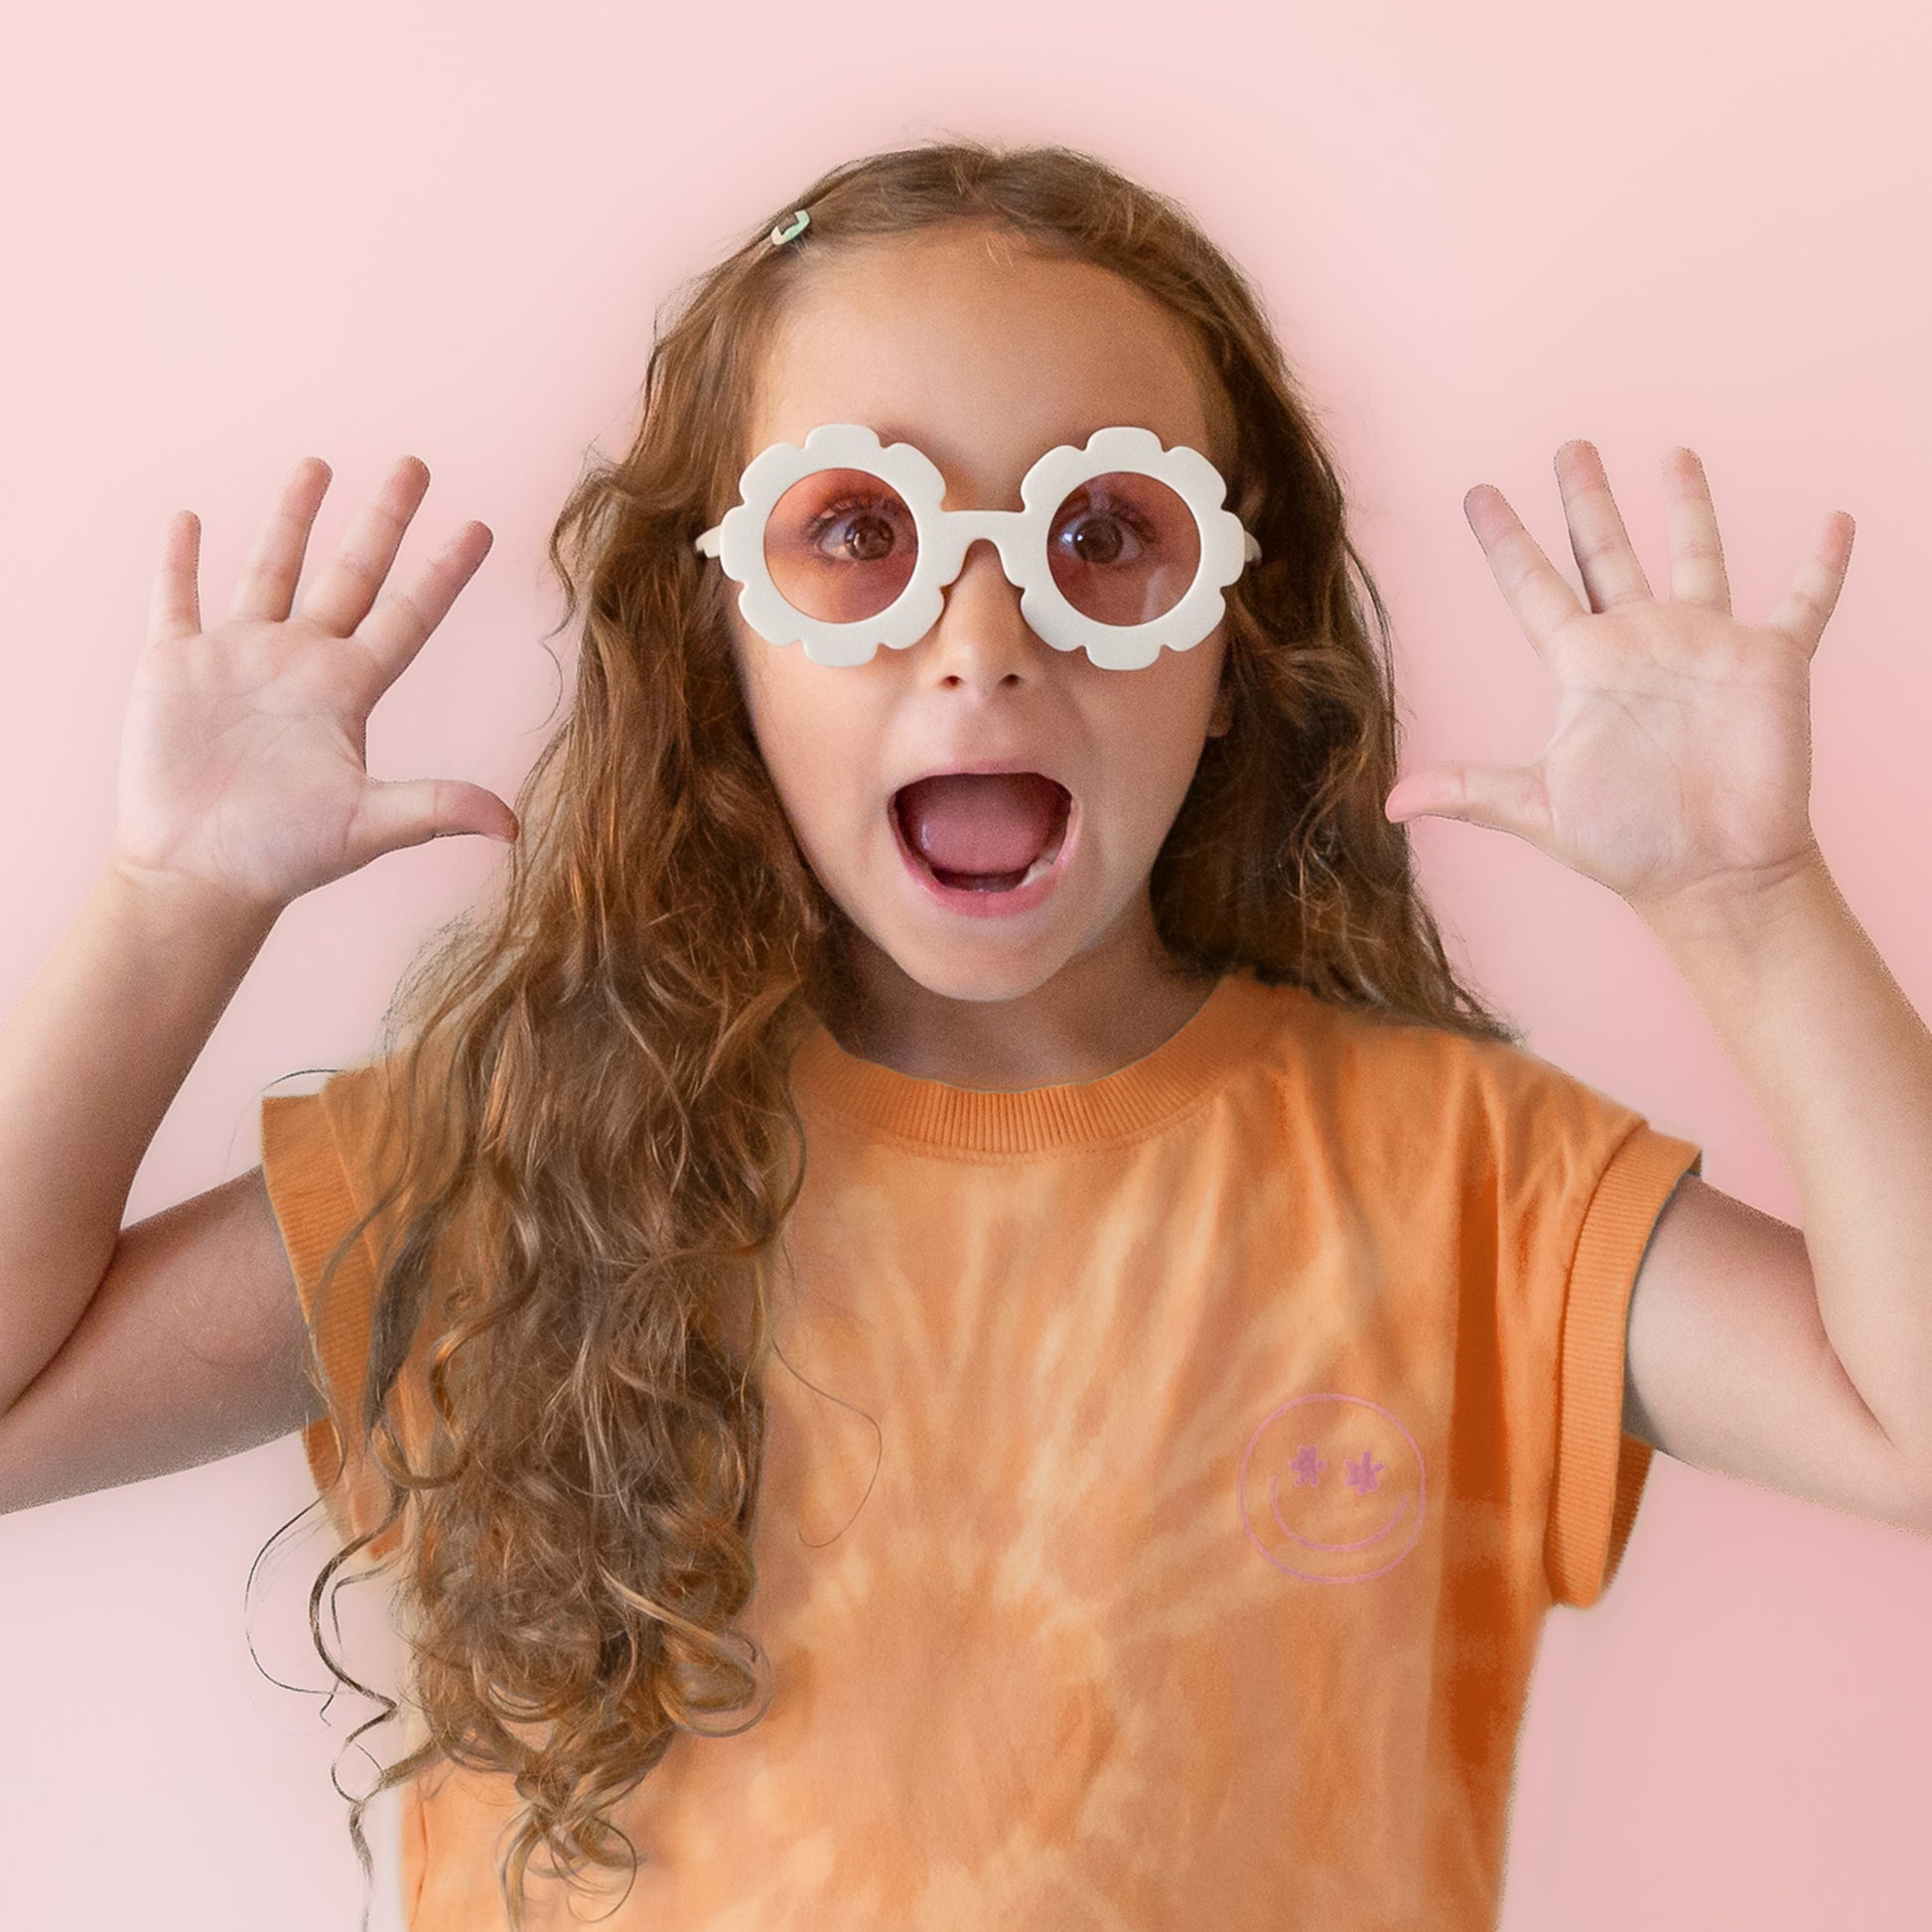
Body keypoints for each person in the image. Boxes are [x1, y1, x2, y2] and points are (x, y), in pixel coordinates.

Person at [0, 140, 1923, 1932]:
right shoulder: (512, 1165)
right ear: (714, 634)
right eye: (860, 530)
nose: (986, 629)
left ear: (1236, 638)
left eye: (1105, 529)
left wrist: (1746, 906)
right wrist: (174, 909)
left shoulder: (1463, 1180)